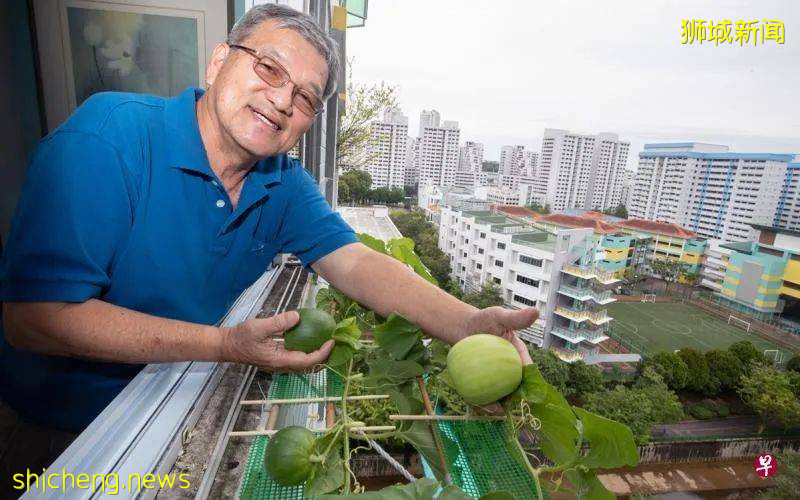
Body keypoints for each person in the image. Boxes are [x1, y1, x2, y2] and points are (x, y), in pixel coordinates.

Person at [0, 2, 536, 466]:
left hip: (173, 406)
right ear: (218, 60)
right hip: (64, 436)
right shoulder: (107, 142)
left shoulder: (280, 182)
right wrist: (224, 344)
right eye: (268, 68)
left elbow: (354, 261)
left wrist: (467, 323)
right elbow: (35, 320)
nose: (282, 101)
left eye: (305, 98)